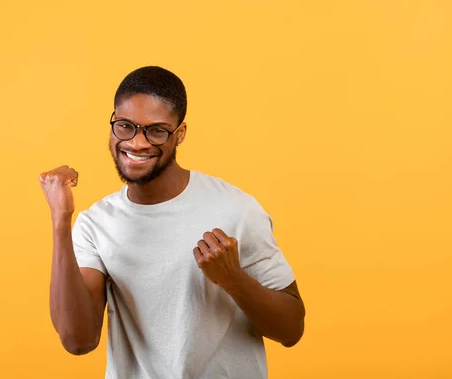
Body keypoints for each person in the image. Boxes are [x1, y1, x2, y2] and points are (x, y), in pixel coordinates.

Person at [39, 66, 305, 379]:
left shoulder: (237, 209)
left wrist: (234, 279)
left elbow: (291, 329)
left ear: (180, 134)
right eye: (125, 126)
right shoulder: (95, 224)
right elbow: (78, 340)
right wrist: (61, 220)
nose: (137, 143)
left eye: (156, 130)